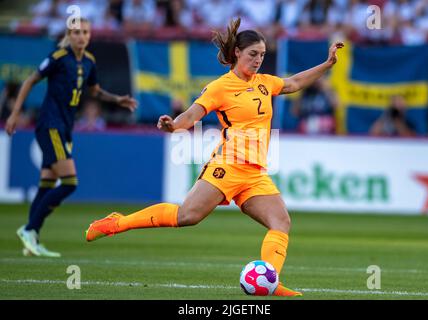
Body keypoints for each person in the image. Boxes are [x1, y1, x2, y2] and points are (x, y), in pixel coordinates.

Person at [85, 17, 343, 297]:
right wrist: (175, 125)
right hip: (228, 165)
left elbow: (293, 83)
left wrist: (327, 64)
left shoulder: (266, 83)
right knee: (186, 216)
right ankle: (116, 223)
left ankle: (269, 280)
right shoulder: (220, 87)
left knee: (281, 222)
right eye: (253, 54)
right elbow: (194, 113)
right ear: (237, 53)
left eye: (263, 55)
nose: (258, 60)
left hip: (255, 173)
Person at [6, 18, 137, 257]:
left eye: (85, 32)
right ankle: (29, 229)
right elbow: (30, 80)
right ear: (69, 34)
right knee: (69, 183)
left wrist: (118, 99)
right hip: (50, 125)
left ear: (89, 35)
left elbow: (95, 91)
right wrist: (15, 114)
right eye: (76, 32)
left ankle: (31, 236)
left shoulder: (89, 62)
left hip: (65, 128)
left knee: (46, 184)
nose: (81, 36)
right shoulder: (58, 57)